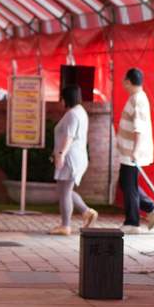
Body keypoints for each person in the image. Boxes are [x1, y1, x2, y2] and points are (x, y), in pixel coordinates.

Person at [117, 68, 154, 234]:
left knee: (129, 186)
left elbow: (139, 128)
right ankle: (151, 208)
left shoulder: (138, 99)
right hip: (128, 152)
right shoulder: (136, 97)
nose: (123, 82)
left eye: (124, 79)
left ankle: (132, 222)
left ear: (128, 81)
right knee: (127, 184)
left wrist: (135, 151)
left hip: (131, 152)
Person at [49, 85, 98, 235]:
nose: (61, 101)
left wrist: (60, 154)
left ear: (66, 98)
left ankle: (65, 225)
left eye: (62, 98)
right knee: (64, 190)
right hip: (75, 156)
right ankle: (87, 212)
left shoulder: (72, 114)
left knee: (65, 192)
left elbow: (69, 137)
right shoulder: (80, 112)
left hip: (70, 157)